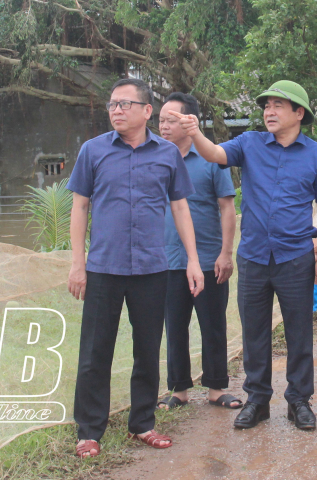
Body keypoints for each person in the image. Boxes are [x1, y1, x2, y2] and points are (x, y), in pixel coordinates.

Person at [170, 80, 317, 431]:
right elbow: (215, 154)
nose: (269, 111)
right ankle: (257, 400)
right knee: (255, 333)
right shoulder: (248, 143)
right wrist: (195, 133)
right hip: (254, 257)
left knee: (298, 332)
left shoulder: (316, 155)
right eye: (267, 106)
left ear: (299, 113)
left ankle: (298, 401)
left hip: (296, 257)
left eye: (279, 105)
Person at [67, 78, 205, 458]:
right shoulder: (92, 151)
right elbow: (80, 207)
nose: (116, 111)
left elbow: (180, 207)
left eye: (125, 104)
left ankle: (142, 423)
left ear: (147, 111)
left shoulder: (167, 154)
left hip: (151, 268)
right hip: (103, 269)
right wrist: (78, 264)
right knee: (95, 352)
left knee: (147, 348)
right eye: (112, 105)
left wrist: (193, 261)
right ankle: (89, 430)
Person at [156, 92, 241, 411]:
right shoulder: (156, 159)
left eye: (170, 120)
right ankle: (178, 390)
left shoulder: (211, 159)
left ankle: (217, 388)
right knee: (174, 325)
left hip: (208, 259)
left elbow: (227, 207)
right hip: (166, 260)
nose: (163, 126)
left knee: (213, 324)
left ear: (188, 121)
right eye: (161, 120)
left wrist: (225, 253)